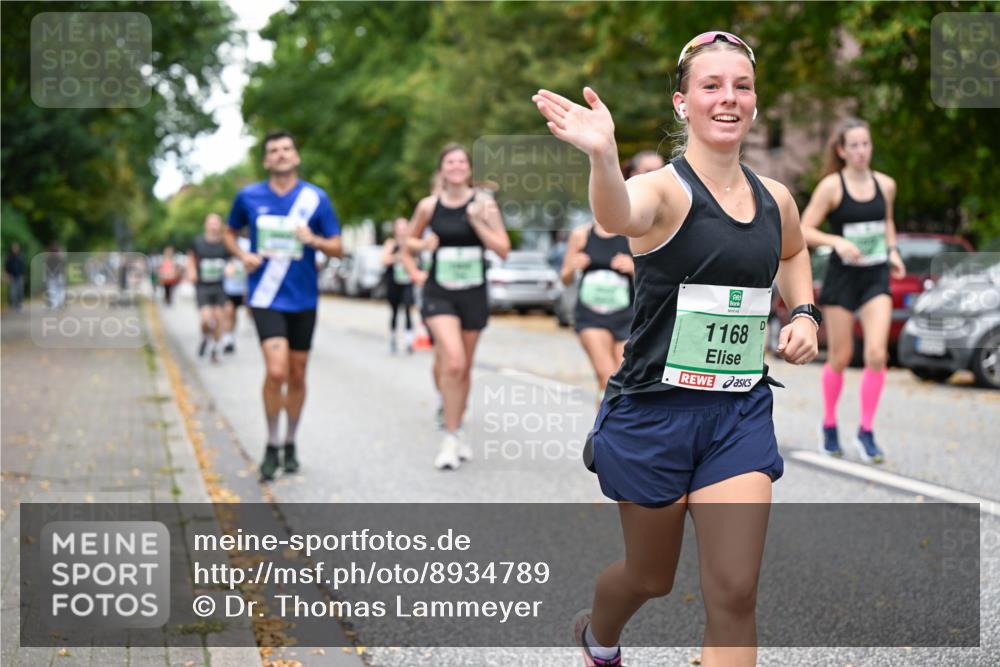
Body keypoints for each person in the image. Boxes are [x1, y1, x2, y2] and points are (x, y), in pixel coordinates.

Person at [534, 30, 819, 667]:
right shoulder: (665, 190)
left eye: (741, 86)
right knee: (649, 578)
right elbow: (616, 216)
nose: (728, 98)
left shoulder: (775, 199)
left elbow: (795, 251)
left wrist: (803, 311)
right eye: (711, 86)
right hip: (652, 415)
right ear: (682, 103)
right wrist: (603, 157)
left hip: (736, 414)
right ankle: (598, 637)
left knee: (736, 591)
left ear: (754, 101)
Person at [225, 130, 342, 481]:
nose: (280, 154)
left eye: (286, 148)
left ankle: (291, 441)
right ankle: (272, 443)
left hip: (303, 297)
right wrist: (243, 254)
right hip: (265, 296)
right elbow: (230, 232)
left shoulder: (315, 198)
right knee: (276, 371)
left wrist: (314, 240)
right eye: (273, 150)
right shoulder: (249, 196)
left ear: (296, 156)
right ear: (265, 160)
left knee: (297, 374)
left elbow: (338, 247)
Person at [801, 118, 904, 464]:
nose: (862, 151)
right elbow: (804, 229)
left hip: (875, 277)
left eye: (866, 144)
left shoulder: (885, 185)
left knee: (877, 353)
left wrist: (892, 252)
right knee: (841, 357)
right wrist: (837, 242)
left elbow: (887, 222)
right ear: (842, 151)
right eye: (854, 145)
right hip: (842, 278)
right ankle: (829, 424)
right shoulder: (832, 186)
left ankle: (866, 430)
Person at [401, 144, 510, 470]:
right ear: (442, 169)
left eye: (462, 161)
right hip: (439, 293)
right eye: (450, 161)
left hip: (473, 293)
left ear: (469, 169)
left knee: (463, 369)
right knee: (453, 361)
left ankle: (457, 426)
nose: (457, 165)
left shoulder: (485, 205)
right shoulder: (428, 206)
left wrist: (477, 223)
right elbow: (408, 242)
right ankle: (450, 437)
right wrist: (422, 253)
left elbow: (503, 249)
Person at [561, 151, 666, 401]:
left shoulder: (638, 233)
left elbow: (660, 278)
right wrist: (572, 266)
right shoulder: (581, 234)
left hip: (626, 316)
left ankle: (608, 434)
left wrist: (633, 268)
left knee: (623, 382)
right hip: (591, 315)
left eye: (659, 170)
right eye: (648, 170)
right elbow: (564, 278)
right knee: (607, 376)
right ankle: (601, 439)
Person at [188, 214, 230, 363]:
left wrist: (230, 268)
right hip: (203, 286)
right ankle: (206, 336)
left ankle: (215, 348)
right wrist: (191, 270)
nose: (213, 226)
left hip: (219, 286)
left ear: (220, 225)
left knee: (218, 318)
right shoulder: (198, 241)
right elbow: (191, 258)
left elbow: (232, 259)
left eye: (216, 223)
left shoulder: (225, 243)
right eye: (210, 223)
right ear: (206, 225)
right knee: (206, 319)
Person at [381, 217, 417, 354]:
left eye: (404, 228)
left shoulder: (411, 243)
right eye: (400, 228)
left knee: (408, 310)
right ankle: (393, 339)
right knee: (395, 312)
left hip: (407, 282)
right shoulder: (391, 244)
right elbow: (383, 260)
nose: (402, 231)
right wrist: (397, 257)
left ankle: (409, 341)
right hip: (394, 282)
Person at [221, 235, 251, 354]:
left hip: (245, 287)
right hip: (229, 288)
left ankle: (247, 322)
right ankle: (228, 338)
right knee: (230, 312)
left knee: (242, 312)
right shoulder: (225, 242)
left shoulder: (249, 242)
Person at [4, 242, 27, 311]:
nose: (15, 249)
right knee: (12, 292)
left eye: (16, 248)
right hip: (12, 277)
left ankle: (19, 304)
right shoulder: (9, 257)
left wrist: (24, 275)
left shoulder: (21, 257)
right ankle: (12, 305)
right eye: (14, 248)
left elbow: (23, 267)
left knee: (20, 291)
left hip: (20, 276)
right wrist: (7, 275)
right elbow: (6, 268)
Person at [44, 243, 66, 309]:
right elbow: (63, 267)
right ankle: (59, 303)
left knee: (53, 290)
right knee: (60, 290)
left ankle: (55, 304)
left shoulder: (48, 258)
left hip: (52, 276)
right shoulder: (60, 258)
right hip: (59, 275)